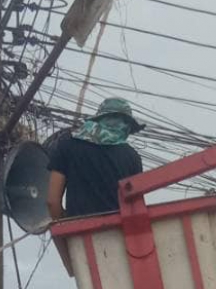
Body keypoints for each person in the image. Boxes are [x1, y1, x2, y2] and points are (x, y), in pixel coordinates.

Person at [46, 96, 145, 224]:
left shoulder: (68, 146)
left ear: (99, 120)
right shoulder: (133, 157)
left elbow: (52, 202)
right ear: (126, 126)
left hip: (79, 234)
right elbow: (135, 209)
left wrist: (66, 230)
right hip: (119, 235)